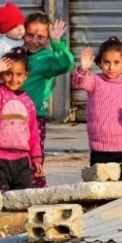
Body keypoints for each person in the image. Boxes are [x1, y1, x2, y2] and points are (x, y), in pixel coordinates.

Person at [72, 37, 122, 181]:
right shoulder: (95, 82)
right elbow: (79, 83)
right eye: (106, 62)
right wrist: (83, 69)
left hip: (121, 147)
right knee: (98, 186)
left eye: (116, 63)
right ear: (99, 63)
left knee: (120, 187)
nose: (111, 67)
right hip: (99, 147)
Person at [0, 47, 43, 192]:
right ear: (0, 75)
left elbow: (33, 134)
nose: (14, 79)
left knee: (22, 202)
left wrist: (36, 159)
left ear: (26, 75)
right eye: (8, 74)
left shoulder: (28, 102)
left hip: (23, 161)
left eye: (19, 74)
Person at [20, 12, 75, 188]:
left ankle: (37, 187)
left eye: (41, 37)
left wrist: (57, 42)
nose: (34, 41)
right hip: (12, 116)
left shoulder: (48, 59)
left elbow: (66, 64)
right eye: (30, 34)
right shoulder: (17, 55)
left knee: (34, 155)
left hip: (34, 116)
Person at [0, 2, 26, 67]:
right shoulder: (2, 44)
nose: (20, 28)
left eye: (21, 24)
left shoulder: (26, 39)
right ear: (6, 30)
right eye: (15, 26)